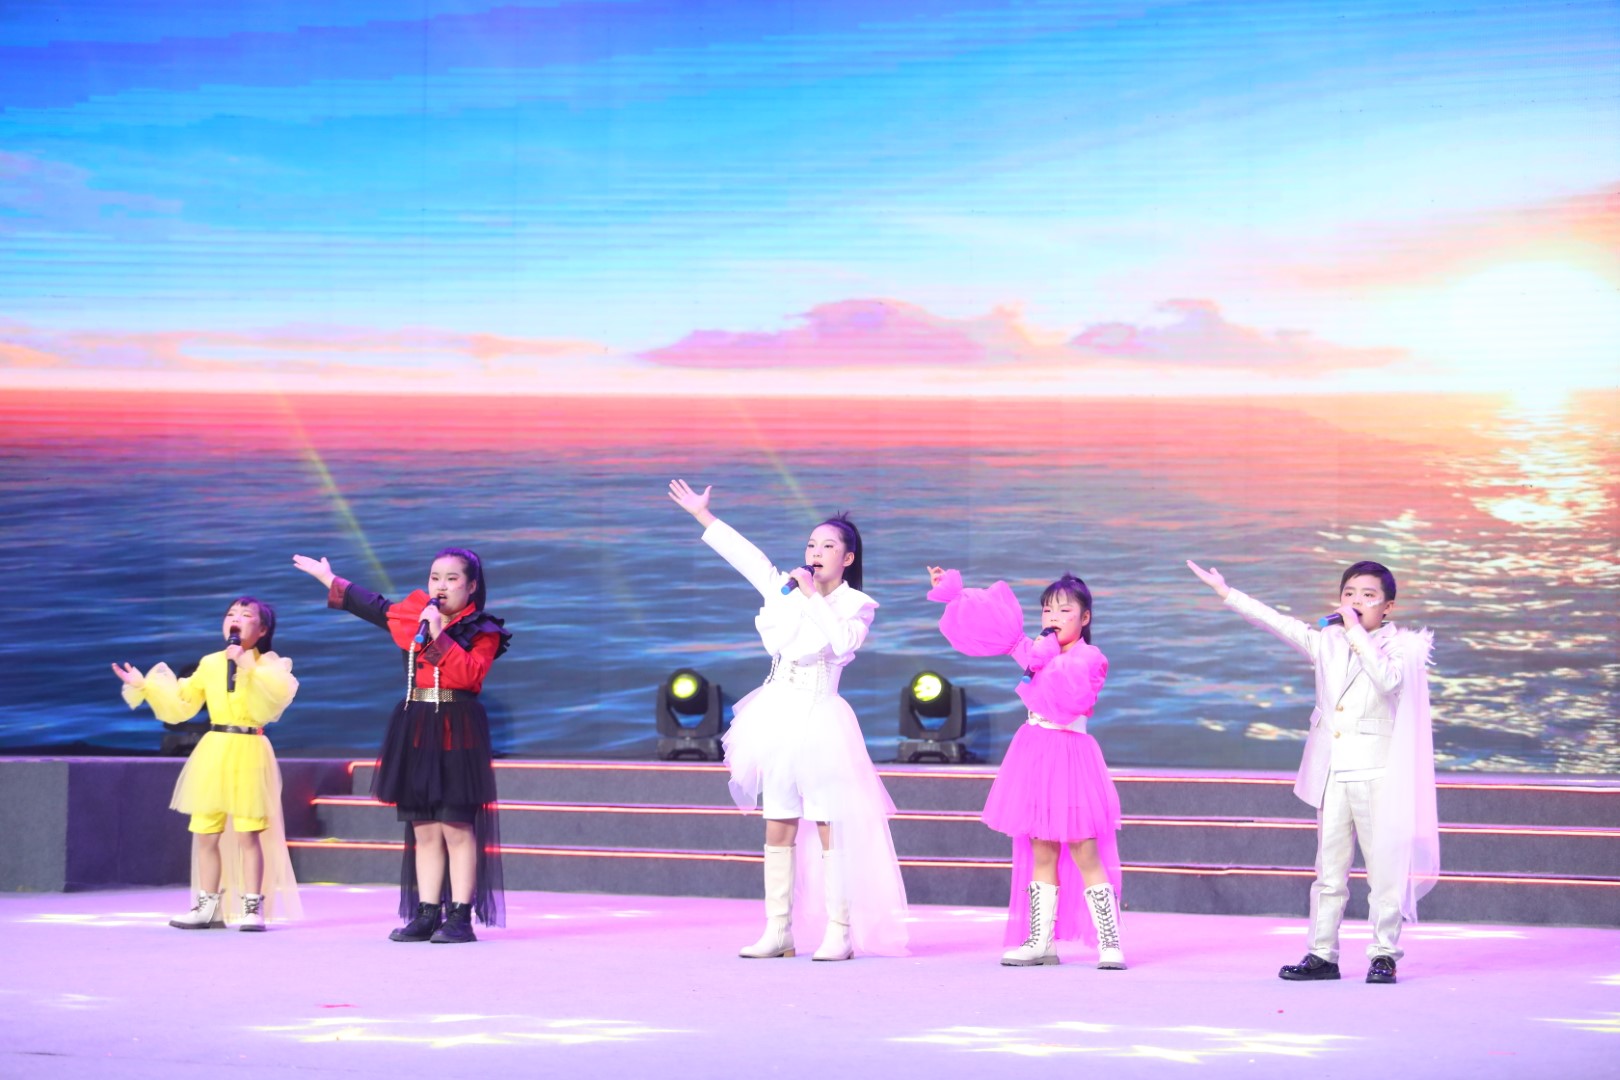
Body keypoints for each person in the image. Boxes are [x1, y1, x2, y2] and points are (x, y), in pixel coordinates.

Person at [667, 478, 909, 961]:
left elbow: (842, 643)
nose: (815, 552)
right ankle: (778, 930)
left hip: (821, 720)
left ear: (848, 558)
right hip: (776, 716)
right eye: (811, 544)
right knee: (777, 819)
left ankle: (839, 931)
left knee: (828, 822)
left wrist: (811, 596)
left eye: (827, 546)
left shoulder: (856, 605)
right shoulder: (785, 589)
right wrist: (702, 515)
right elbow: (748, 558)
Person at [1187, 558, 1438, 985]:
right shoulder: (1327, 641)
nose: (1356, 601)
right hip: (1331, 771)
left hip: (1376, 772)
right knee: (1328, 872)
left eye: (1368, 595)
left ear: (1388, 606)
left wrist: (1355, 632)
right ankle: (1322, 954)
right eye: (1349, 594)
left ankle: (1384, 954)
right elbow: (1277, 623)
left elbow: (1388, 681)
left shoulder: (1402, 648)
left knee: (1384, 872)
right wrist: (1227, 593)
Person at [292, 548, 510, 944]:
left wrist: (439, 634)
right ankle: (427, 912)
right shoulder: (416, 617)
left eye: (452, 579)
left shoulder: (483, 630)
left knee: (455, 825)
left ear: (471, 586)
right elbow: (377, 607)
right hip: (417, 726)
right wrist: (329, 579)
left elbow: (467, 675)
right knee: (424, 826)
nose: (440, 586)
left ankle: (460, 916)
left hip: (458, 727)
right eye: (435, 577)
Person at [928, 567, 1124, 968]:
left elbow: (1070, 697)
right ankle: (1040, 941)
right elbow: (995, 627)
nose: (1053, 617)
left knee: (1084, 848)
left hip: (1071, 756)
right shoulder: (1037, 651)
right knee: (1041, 849)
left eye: (1064, 610)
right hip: (1035, 753)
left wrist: (1044, 657)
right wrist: (956, 596)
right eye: (1047, 610)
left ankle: (1110, 942)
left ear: (1085, 617)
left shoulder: (1091, 657)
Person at [112, 596, 301, 931]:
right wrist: (144, 686)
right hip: (214, 749)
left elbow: (273, 700)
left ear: (262, 629)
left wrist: (246, 666)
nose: (235, 618)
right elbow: (183, 702)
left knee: (248, 834)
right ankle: (206, 906)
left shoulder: (268, 666)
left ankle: (252, 907)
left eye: (246, 614)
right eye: (230, 613)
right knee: (205, 833)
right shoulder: (212, 663)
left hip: (249, 748)